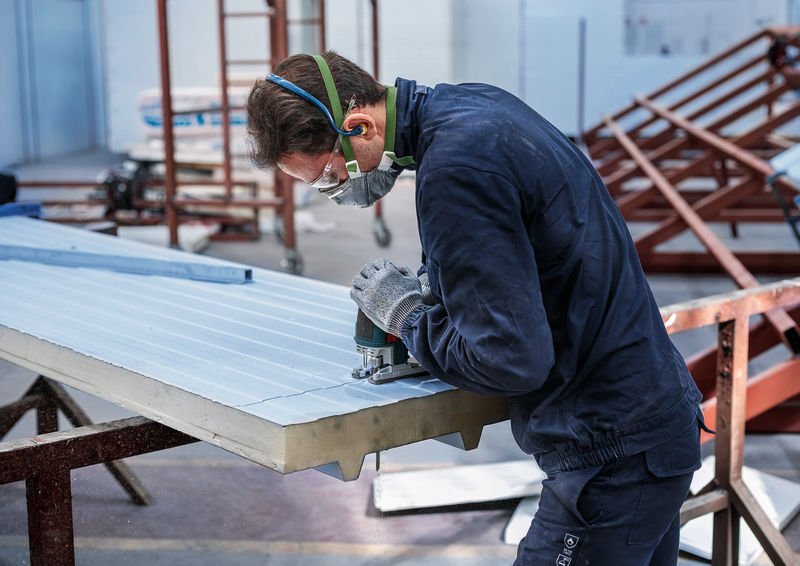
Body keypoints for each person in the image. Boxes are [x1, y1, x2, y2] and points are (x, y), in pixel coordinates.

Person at [246, 51, 707, 565]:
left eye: (330, 177)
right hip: (652, 419)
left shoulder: (455, 171)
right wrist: (445, 286)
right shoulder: (472, 108)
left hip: (611, 452)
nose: (339, 191)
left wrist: (407, 316)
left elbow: (509, 359)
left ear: (359, 126)